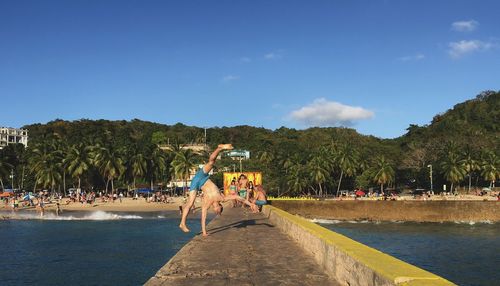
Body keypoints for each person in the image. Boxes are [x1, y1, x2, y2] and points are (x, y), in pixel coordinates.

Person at [179, 144, 257, 235]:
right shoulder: (222, 198)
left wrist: (204, 232)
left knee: (190, 203)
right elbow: (238, 197)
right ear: (220, 206)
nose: (217, 212)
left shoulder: (207, 202)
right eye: (219, 211)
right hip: (202, 176)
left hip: (196, 183)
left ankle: (182, 223)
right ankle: (220, 148)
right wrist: (250, 203)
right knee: (211, 162)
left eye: (217, 212)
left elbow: (203, 217)